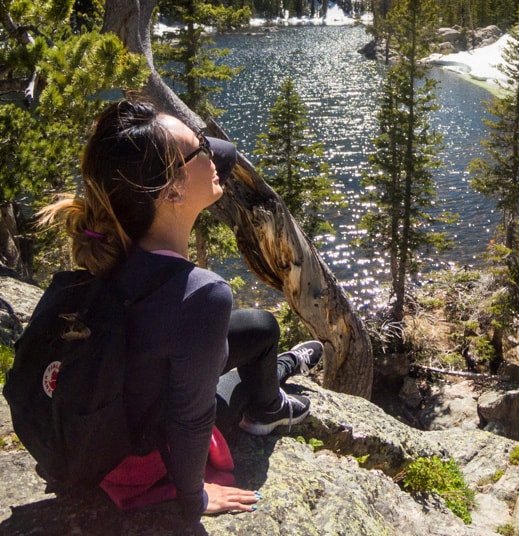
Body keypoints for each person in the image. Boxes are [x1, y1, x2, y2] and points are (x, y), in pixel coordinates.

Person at [40, 98, 323, 521]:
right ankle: (269, 408)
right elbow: (191, 420)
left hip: (105, 418)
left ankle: (279, 369)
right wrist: (194, 499)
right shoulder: (201, 296)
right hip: (134, 458)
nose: (215, 157)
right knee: (230, 385)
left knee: (261, 326)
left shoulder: (112, 247)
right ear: (171, 189)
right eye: (200, 150)